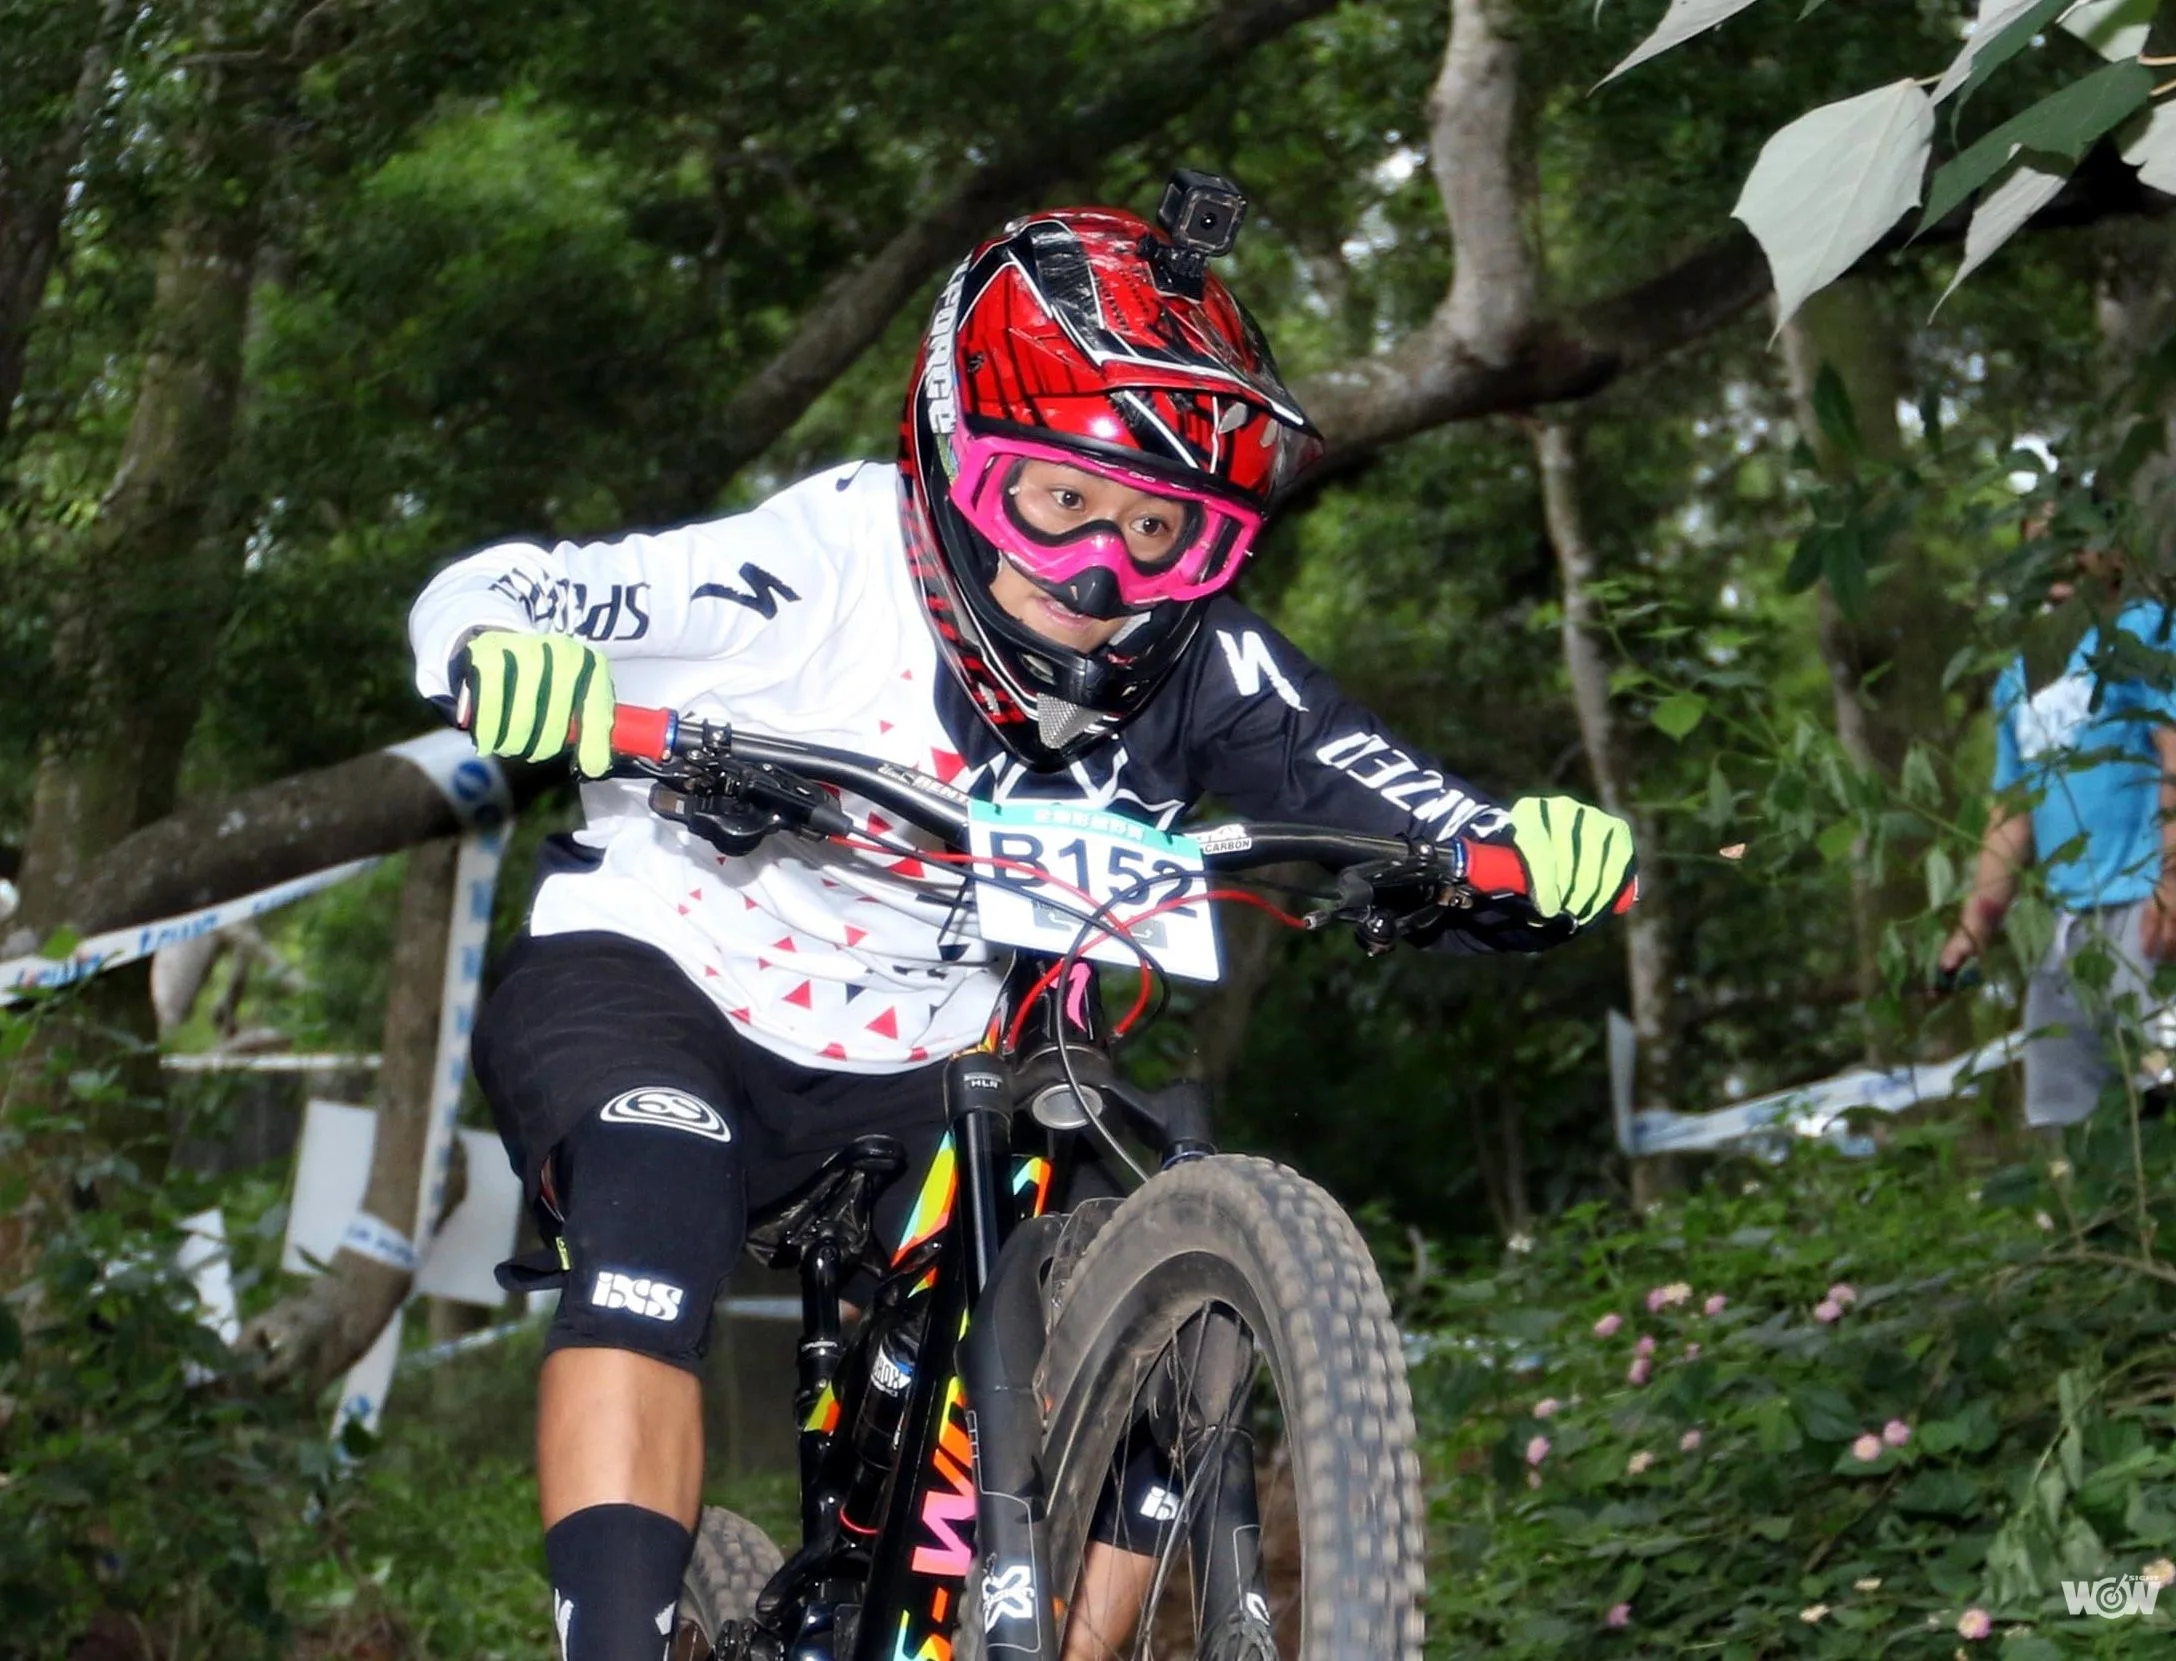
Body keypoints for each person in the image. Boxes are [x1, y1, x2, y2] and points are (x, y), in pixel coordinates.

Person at [409, 179, 1637, 1661]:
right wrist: (506, 651)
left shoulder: (1199, 661)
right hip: (665, 977)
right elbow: (512, 588)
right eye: (1058, 503)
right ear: (952, 455)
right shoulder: (822, 558)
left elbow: (1401, 800)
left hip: (937, 1059)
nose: (1099, 574)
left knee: (1151, 1196)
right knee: (658, 1185)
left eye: (1156, 528)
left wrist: (1519, 855)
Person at [1938, 534, 2176, 1132]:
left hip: (2148, 907)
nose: (2061, 560)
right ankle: (2095, 1224)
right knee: (2065, 1116)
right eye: (2040, 548)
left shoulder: (2146, 628)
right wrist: (1977, 922)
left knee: (2164, 1086)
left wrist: (2172, 880)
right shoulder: (2022, 673)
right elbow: (2014, 807)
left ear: (2115, 554)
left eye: (2074, 541)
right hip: (2068, 923)